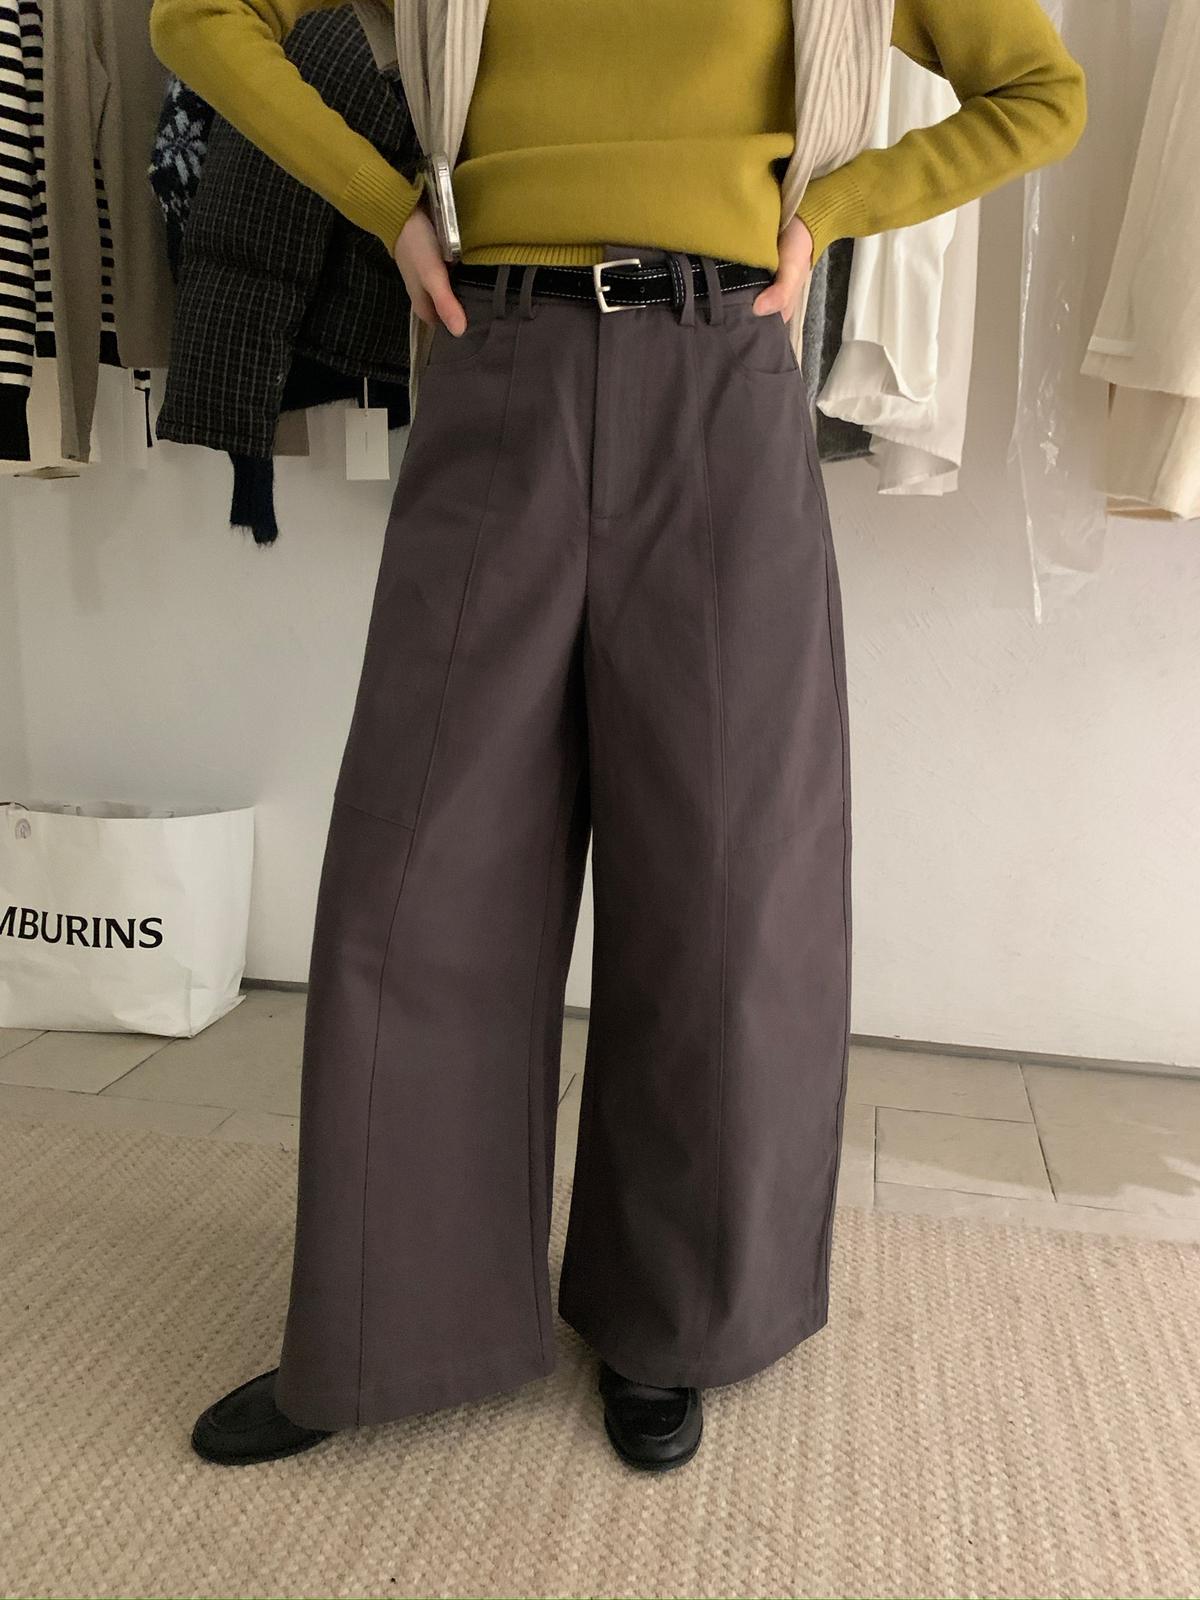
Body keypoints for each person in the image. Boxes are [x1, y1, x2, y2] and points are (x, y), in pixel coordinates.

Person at [149, 0, 1086, 1473]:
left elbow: (1038, 91)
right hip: (498, 359)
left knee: (725, 881)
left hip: (723, 372)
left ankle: (672, 1323)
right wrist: (390, 209)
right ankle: (385, 1324)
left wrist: (832, 210)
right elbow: (199, 18)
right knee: (420, 871)